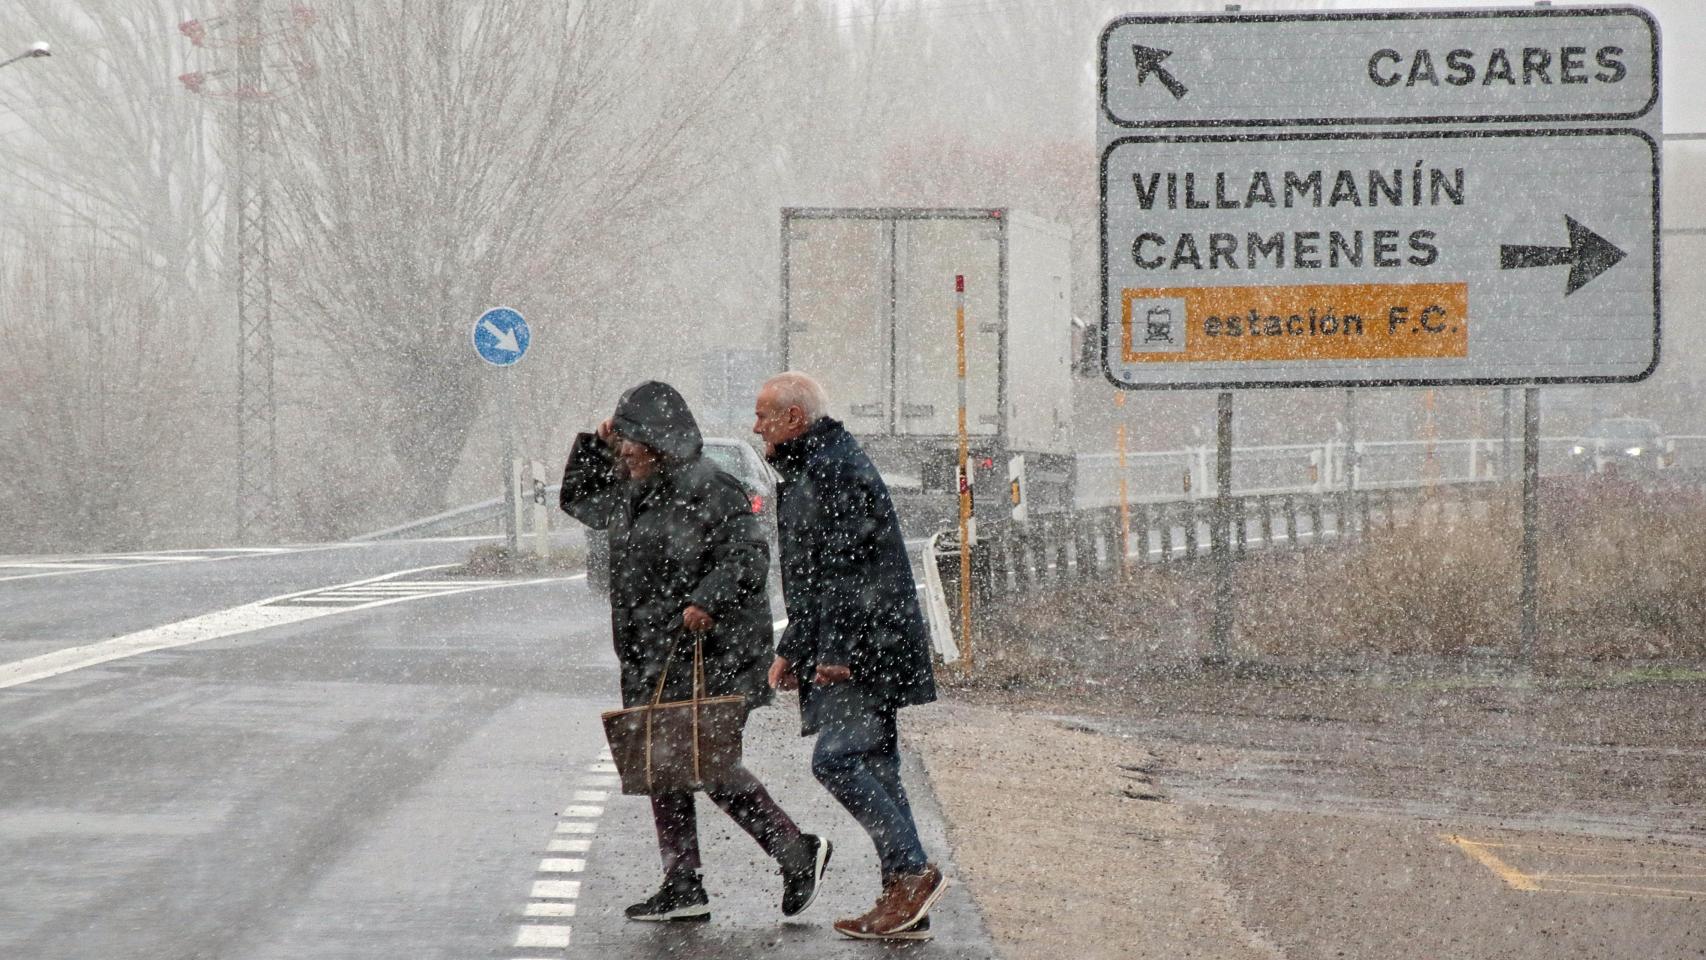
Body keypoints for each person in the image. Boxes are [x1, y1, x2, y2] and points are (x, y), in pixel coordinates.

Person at [560, 380, 831, 923]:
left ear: (659, 441)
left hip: (710, 649)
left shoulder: (713, 487)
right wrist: (596, 442)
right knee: (666, 765)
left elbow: (748, 555)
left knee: (706, 764)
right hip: (651, 651)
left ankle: (795, 850)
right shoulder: (632, 484)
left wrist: (706, 601)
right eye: (624, 444)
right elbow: (577, 499)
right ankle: (685, 883)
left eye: (633, 443)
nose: (627, 454)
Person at [753, 371, 946, 942]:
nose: (755, 424)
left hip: (864, 647)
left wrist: (836, 651)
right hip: (865, 641)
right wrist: (794, 647)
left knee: (837, 761)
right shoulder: (815, 463)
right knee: (879, 767)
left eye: (764, 414)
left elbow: (846, 571)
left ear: (794, 418)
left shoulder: (832, 467)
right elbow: (817, 576)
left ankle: (912, 874)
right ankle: (906, 904)